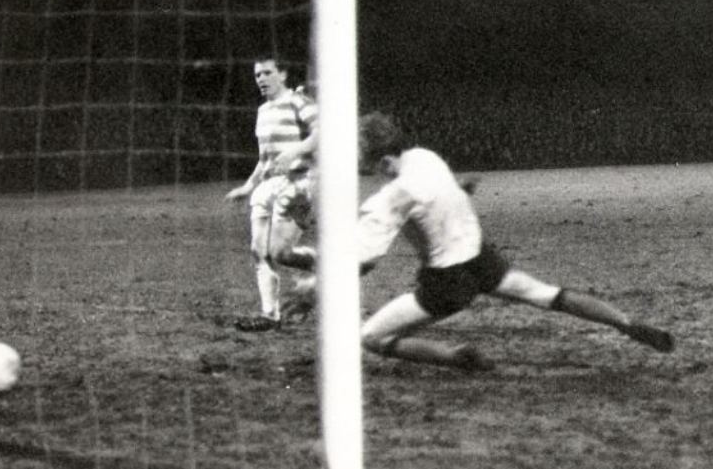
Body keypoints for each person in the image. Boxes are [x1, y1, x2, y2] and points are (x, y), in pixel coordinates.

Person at [285, 112, 674, 371]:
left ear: (380, 160)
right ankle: (625, 322)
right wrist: (461, 189)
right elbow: (446, 190)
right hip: (481, 259)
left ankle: (454, 357)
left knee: (371, 337)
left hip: (446, 283)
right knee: (548, 295)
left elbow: (362, 261)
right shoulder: (425, 157)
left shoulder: (390, 197)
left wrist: (315, 287)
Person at [226, 57, 318, 331]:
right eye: (257, 75)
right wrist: (248, 185)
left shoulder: (300, 102)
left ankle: (331, 266)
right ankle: (270, 315)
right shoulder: (263, 110)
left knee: (281, 252)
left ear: (283, 74)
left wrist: (296, 150)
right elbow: (264, 157)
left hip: (298, 183)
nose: (261, 79)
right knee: (259, 251)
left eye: (267, 73)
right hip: (268, 185)